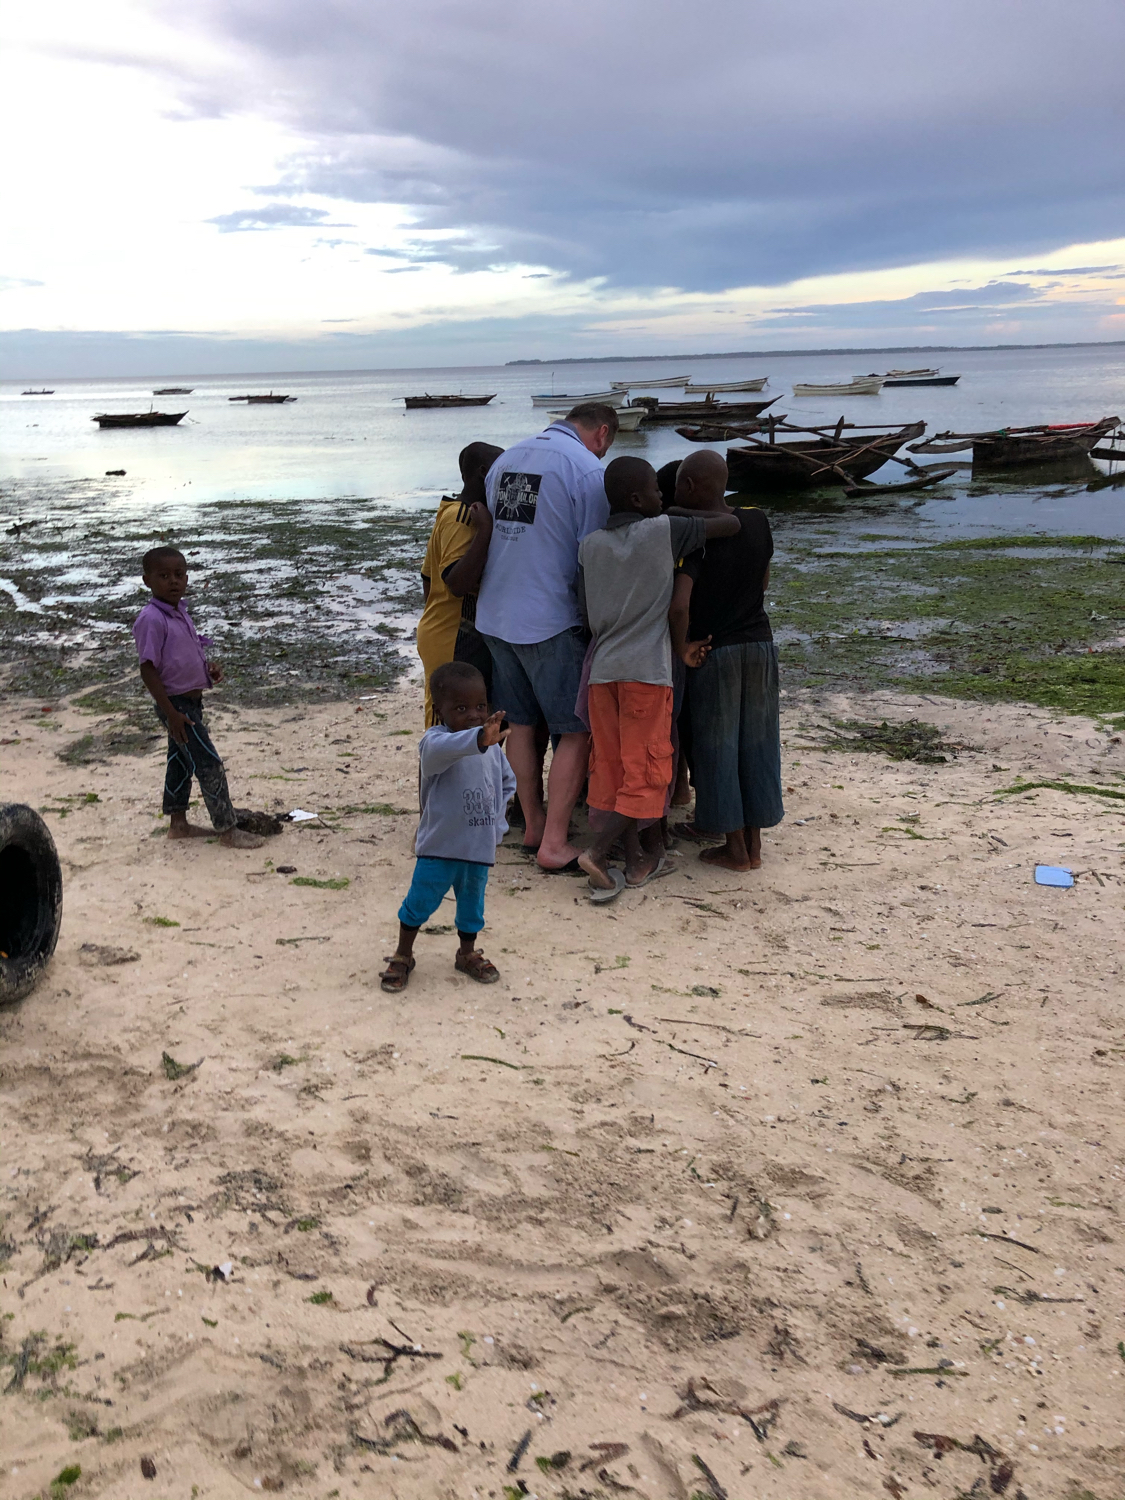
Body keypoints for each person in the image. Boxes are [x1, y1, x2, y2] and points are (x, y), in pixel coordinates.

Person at [576, 456, 738, 901]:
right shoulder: (662, 530)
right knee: (648, 772)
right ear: (636, 498)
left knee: (612, 769)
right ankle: (597, 850)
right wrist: (677, 515)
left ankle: (635, 859)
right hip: (647, 672)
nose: (662, 496)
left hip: (602, 672)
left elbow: (587, 616)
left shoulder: (589, 545)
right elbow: (730, 527)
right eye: (654, 490)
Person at [475, 401, 618, 871]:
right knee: (575, 730)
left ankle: (532, 820)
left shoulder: (507, 459)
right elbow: (591, 553)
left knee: (519, 722)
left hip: (496, 613)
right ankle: (553, 842)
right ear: (601, 433)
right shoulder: (585, 469)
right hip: (549, 617)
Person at [670, 449, 784, 871]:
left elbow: (679, 605)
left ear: (691, 486)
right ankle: (753, 847)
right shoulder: (757, 520)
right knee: (758, 744)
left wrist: (680, 648)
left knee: (719, 748)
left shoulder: (697, 537)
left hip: (715, 650)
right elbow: (764, 578)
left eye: (681, 483)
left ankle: (733, 847)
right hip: (759, 643)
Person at [379, 661, 515, 994]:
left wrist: (497, 824)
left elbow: (507, 784)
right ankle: (403, 954)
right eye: (461, 707)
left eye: (480, 706)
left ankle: (467, 953)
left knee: (472, 908)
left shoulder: (491, 747)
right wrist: (480, 738)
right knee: (419, 902)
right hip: (440, 846)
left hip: (477, 848)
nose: (473, 714)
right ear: (440, 712)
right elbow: (447, 750)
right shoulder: (435, 742)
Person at [133, 547, 263, 849]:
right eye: (163, 576)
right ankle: (228, 829)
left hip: (190, 703)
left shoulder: (180, 612)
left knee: (180, 762)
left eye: (179, 575)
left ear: (187, 578)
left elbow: (180, 657)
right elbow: (148, 670)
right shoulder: (151, 619)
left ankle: (178, 825)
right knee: (209, 763)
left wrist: (207, 670)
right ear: (147, 580)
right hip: (176, 706)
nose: (173, 581)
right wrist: (170, 713)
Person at [416, 442, 503, 725]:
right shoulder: (463, 517)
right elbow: (456, 582)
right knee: (445, 727)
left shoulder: (449, 510)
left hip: (441, 629)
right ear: (484, 472)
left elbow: (428, 577)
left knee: (462, 724)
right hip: (451, 636)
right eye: (502, 471)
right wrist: (485, 532)